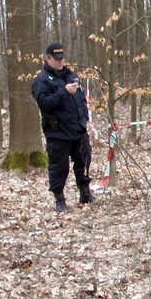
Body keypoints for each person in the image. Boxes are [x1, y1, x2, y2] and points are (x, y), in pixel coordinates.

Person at [31, 43, 95, 212]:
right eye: (57, 59)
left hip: (78, 130)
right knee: (59, 167)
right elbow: (44, 103)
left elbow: (81, 99)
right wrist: (64, 92)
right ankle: (59, 198)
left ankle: (85, 192)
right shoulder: (42, 80)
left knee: (84, 162)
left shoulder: (71, 75)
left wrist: (84, 117)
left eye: (62, 59)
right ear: (48, 58)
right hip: (58, 132)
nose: (61, 62)